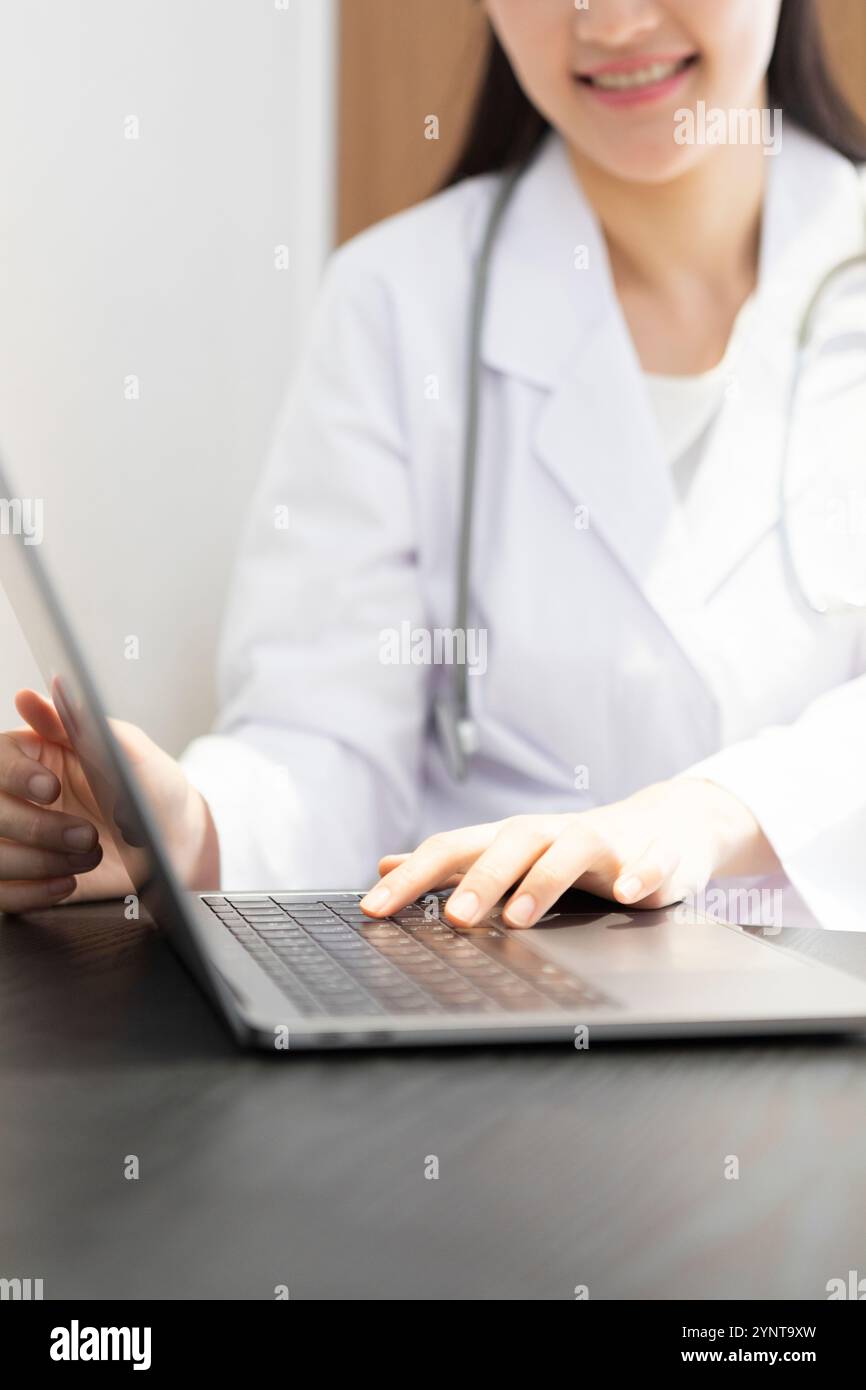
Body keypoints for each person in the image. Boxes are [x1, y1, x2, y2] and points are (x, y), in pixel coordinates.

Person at [1, 0, 865, 933]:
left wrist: (709, 815)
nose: (611, 21)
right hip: (499, 1011)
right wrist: (183, 828)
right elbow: (322, 743)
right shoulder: (396, 303)